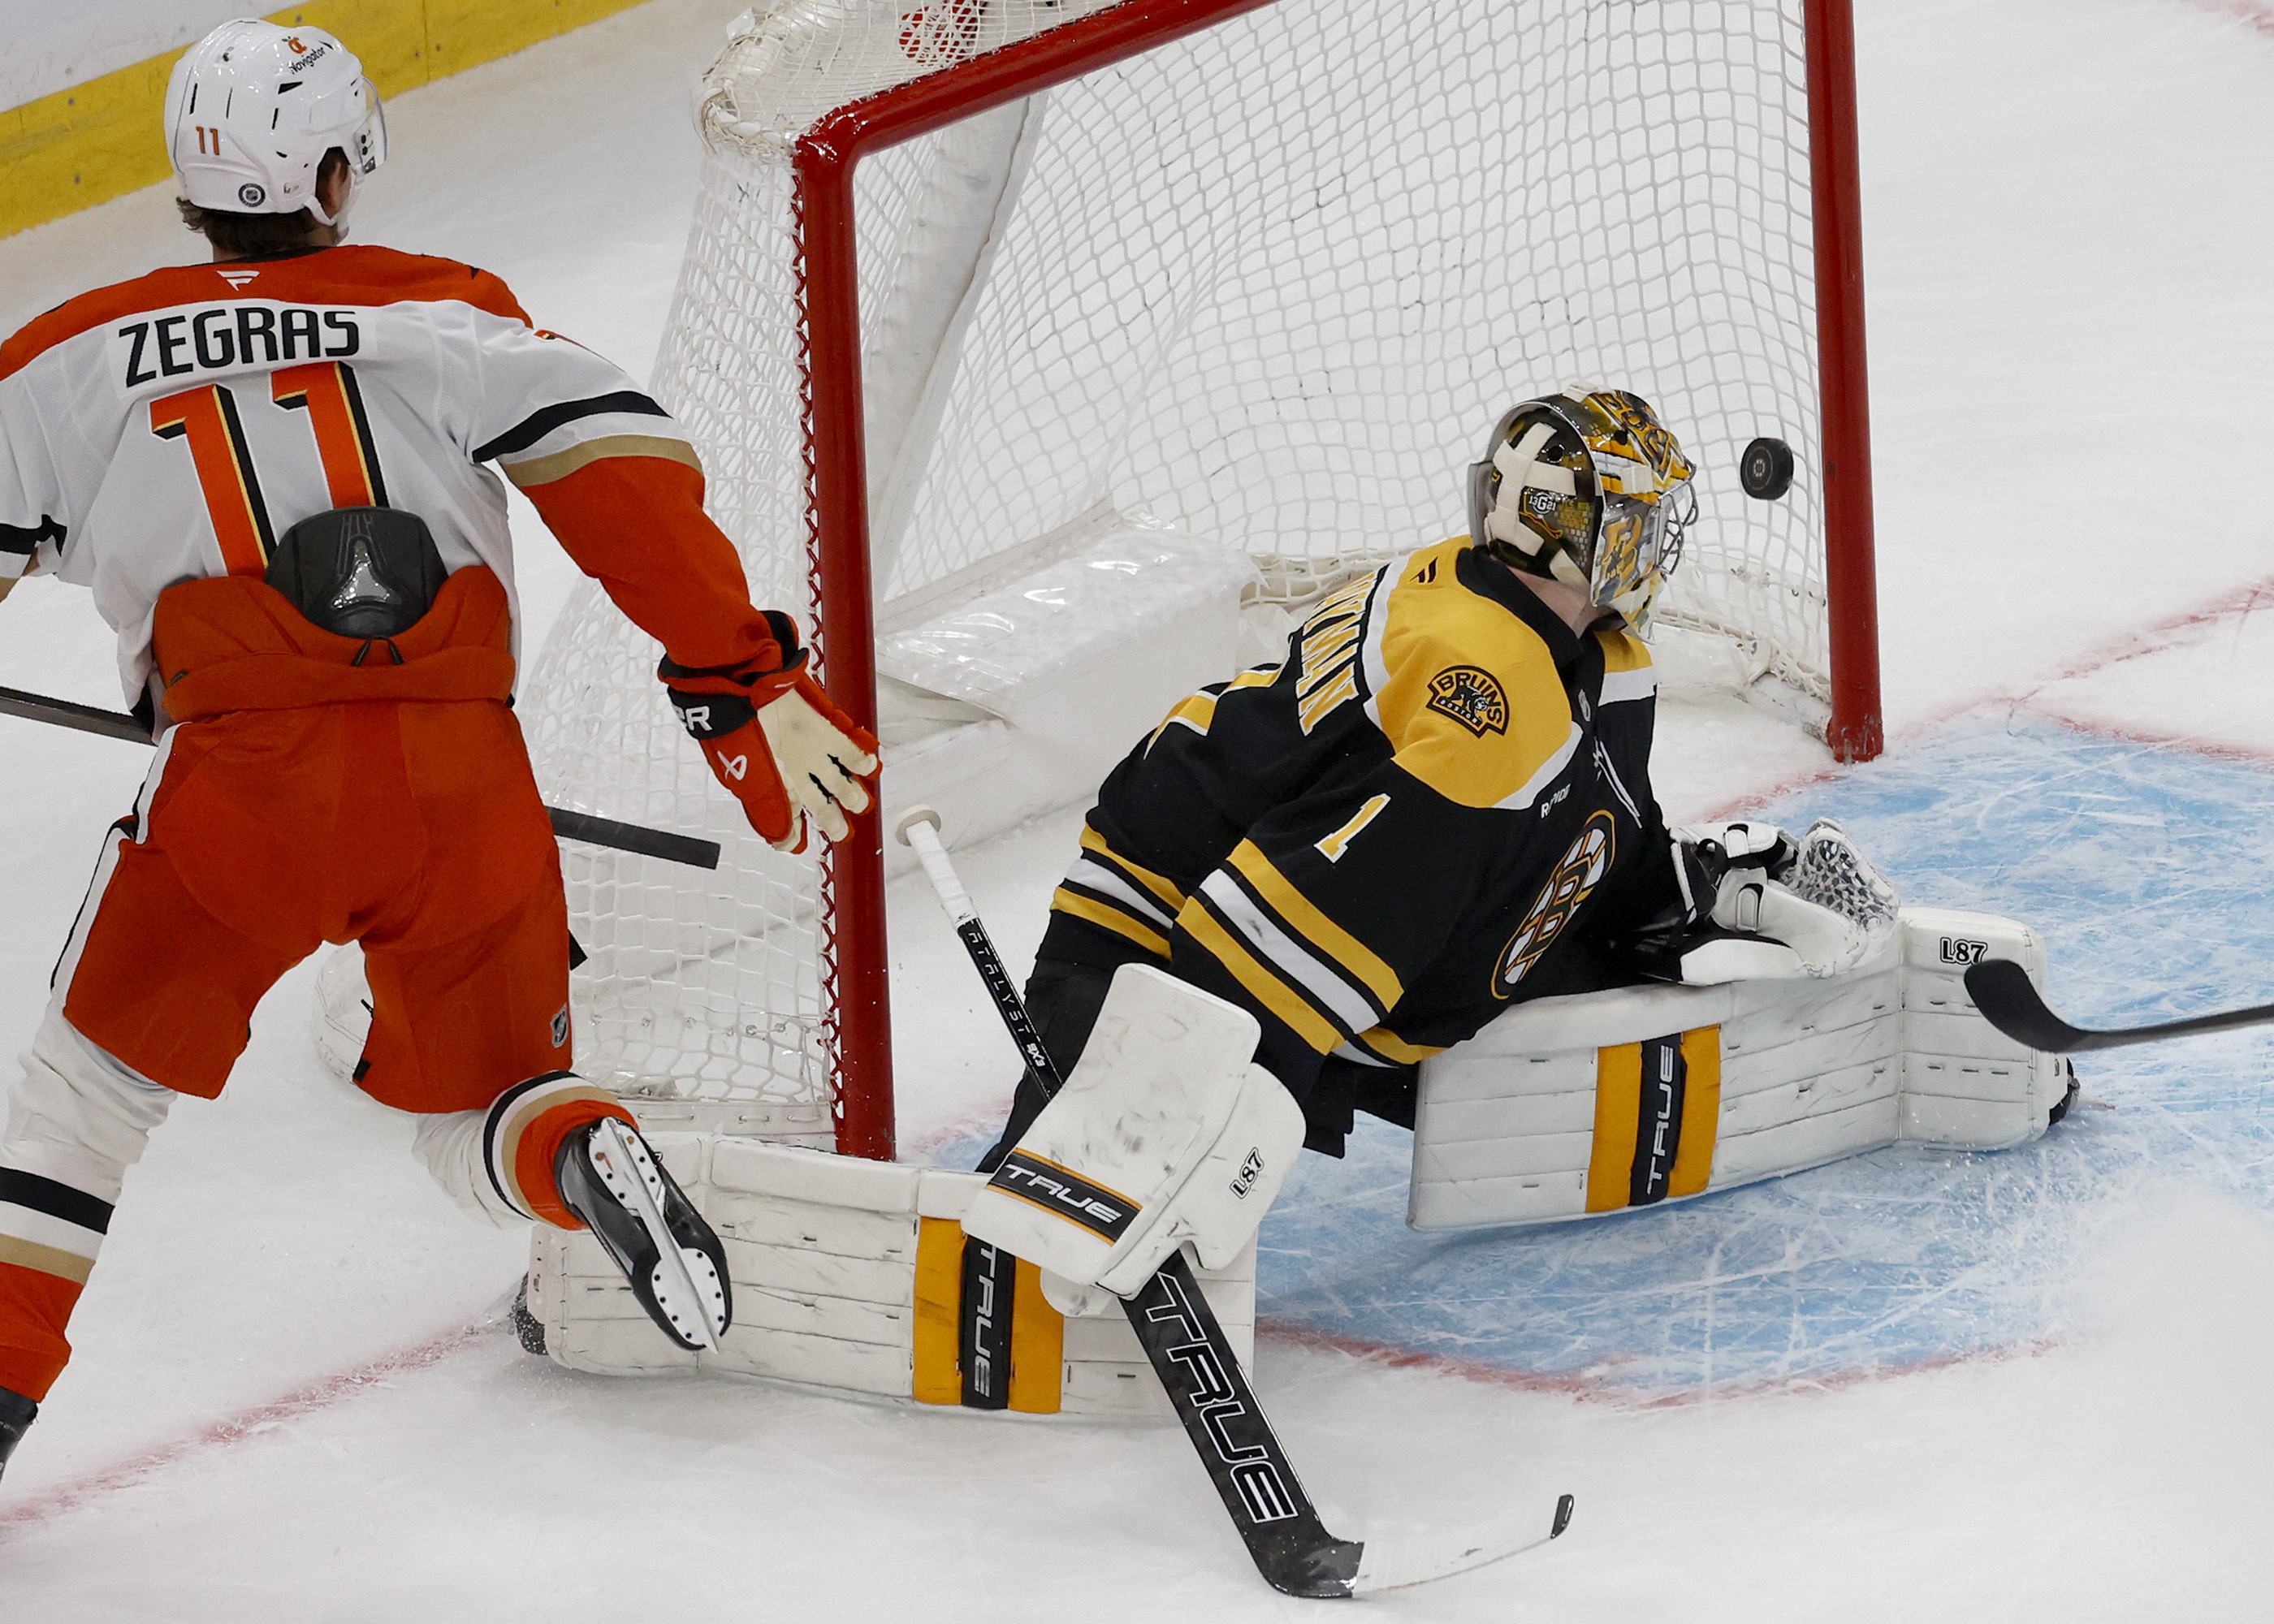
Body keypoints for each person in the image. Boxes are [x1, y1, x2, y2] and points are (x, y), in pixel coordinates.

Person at [0, 19, 880, 1480]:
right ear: (337, 174)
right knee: (482, 1104)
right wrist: (737, 679)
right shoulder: (447, 314)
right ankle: (574, 1141)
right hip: (464, 782)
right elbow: (628, 479)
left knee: (85, 1100)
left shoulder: (65, 357)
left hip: (242, 793)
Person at [979, 386, 1881, 1172]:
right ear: (1577, 538)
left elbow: (1550, 825)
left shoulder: (1585, 651)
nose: (1658, 546)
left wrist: (1673, 889)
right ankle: (1042, 1198)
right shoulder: (1491, 689)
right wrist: (1184, 1131)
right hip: (1162, 915)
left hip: (1312, 880)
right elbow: (1280, 932)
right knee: (1090, 1164)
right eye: (1640, 525)